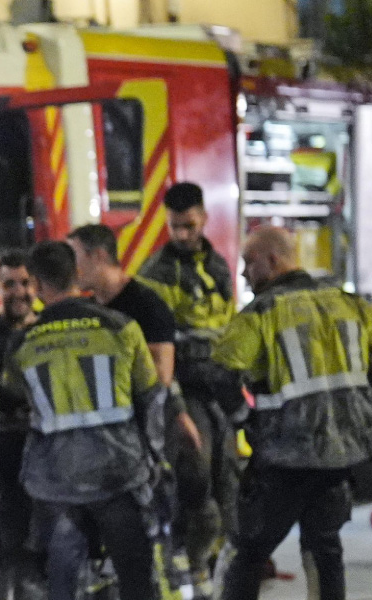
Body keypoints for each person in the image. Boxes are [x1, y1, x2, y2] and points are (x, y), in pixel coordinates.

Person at [204, 226, 372, 600]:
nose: (245, 272)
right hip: (342, 456)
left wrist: (243, 420)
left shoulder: (263, 311)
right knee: (325, 549)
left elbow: (220, 373)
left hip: (284, 458)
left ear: (273, 260)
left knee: (250, 553)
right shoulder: (353, 306)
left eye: (250, 262)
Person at [7, 241, 163, 600]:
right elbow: (151, 395)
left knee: (62, 574)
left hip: (55, 480)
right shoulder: (122, 328)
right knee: (136, 576)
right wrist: (153, 458)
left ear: (36, 285)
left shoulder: (21, 344)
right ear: (78, 276)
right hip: (118, 473)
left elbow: (14, 395)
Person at [68, 224, 214, 596]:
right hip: (101, 438)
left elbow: (161, 378)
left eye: (77, 257)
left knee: (148, 530)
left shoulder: (147, 307)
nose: (72, 268)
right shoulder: (86, 307)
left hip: (143, 437)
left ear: (99, 256)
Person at [137, 182, 240, 559]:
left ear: (204, 219)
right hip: (184, 388)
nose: (182, 234)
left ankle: (224, 556)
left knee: (227, 472)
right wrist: (174, 401)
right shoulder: (156, 273)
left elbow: (228, 325)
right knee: (193, 472)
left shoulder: (217, 266)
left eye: (190, 226)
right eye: (175, 226)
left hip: (219, 385)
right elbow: (152, 348)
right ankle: (186, 556)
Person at [0, 250, 43, 599]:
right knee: (8, 541)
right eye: (10, 284)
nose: (20, 292)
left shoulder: (49, 328)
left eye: (26, 282)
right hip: (5, 453)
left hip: (48, 449)